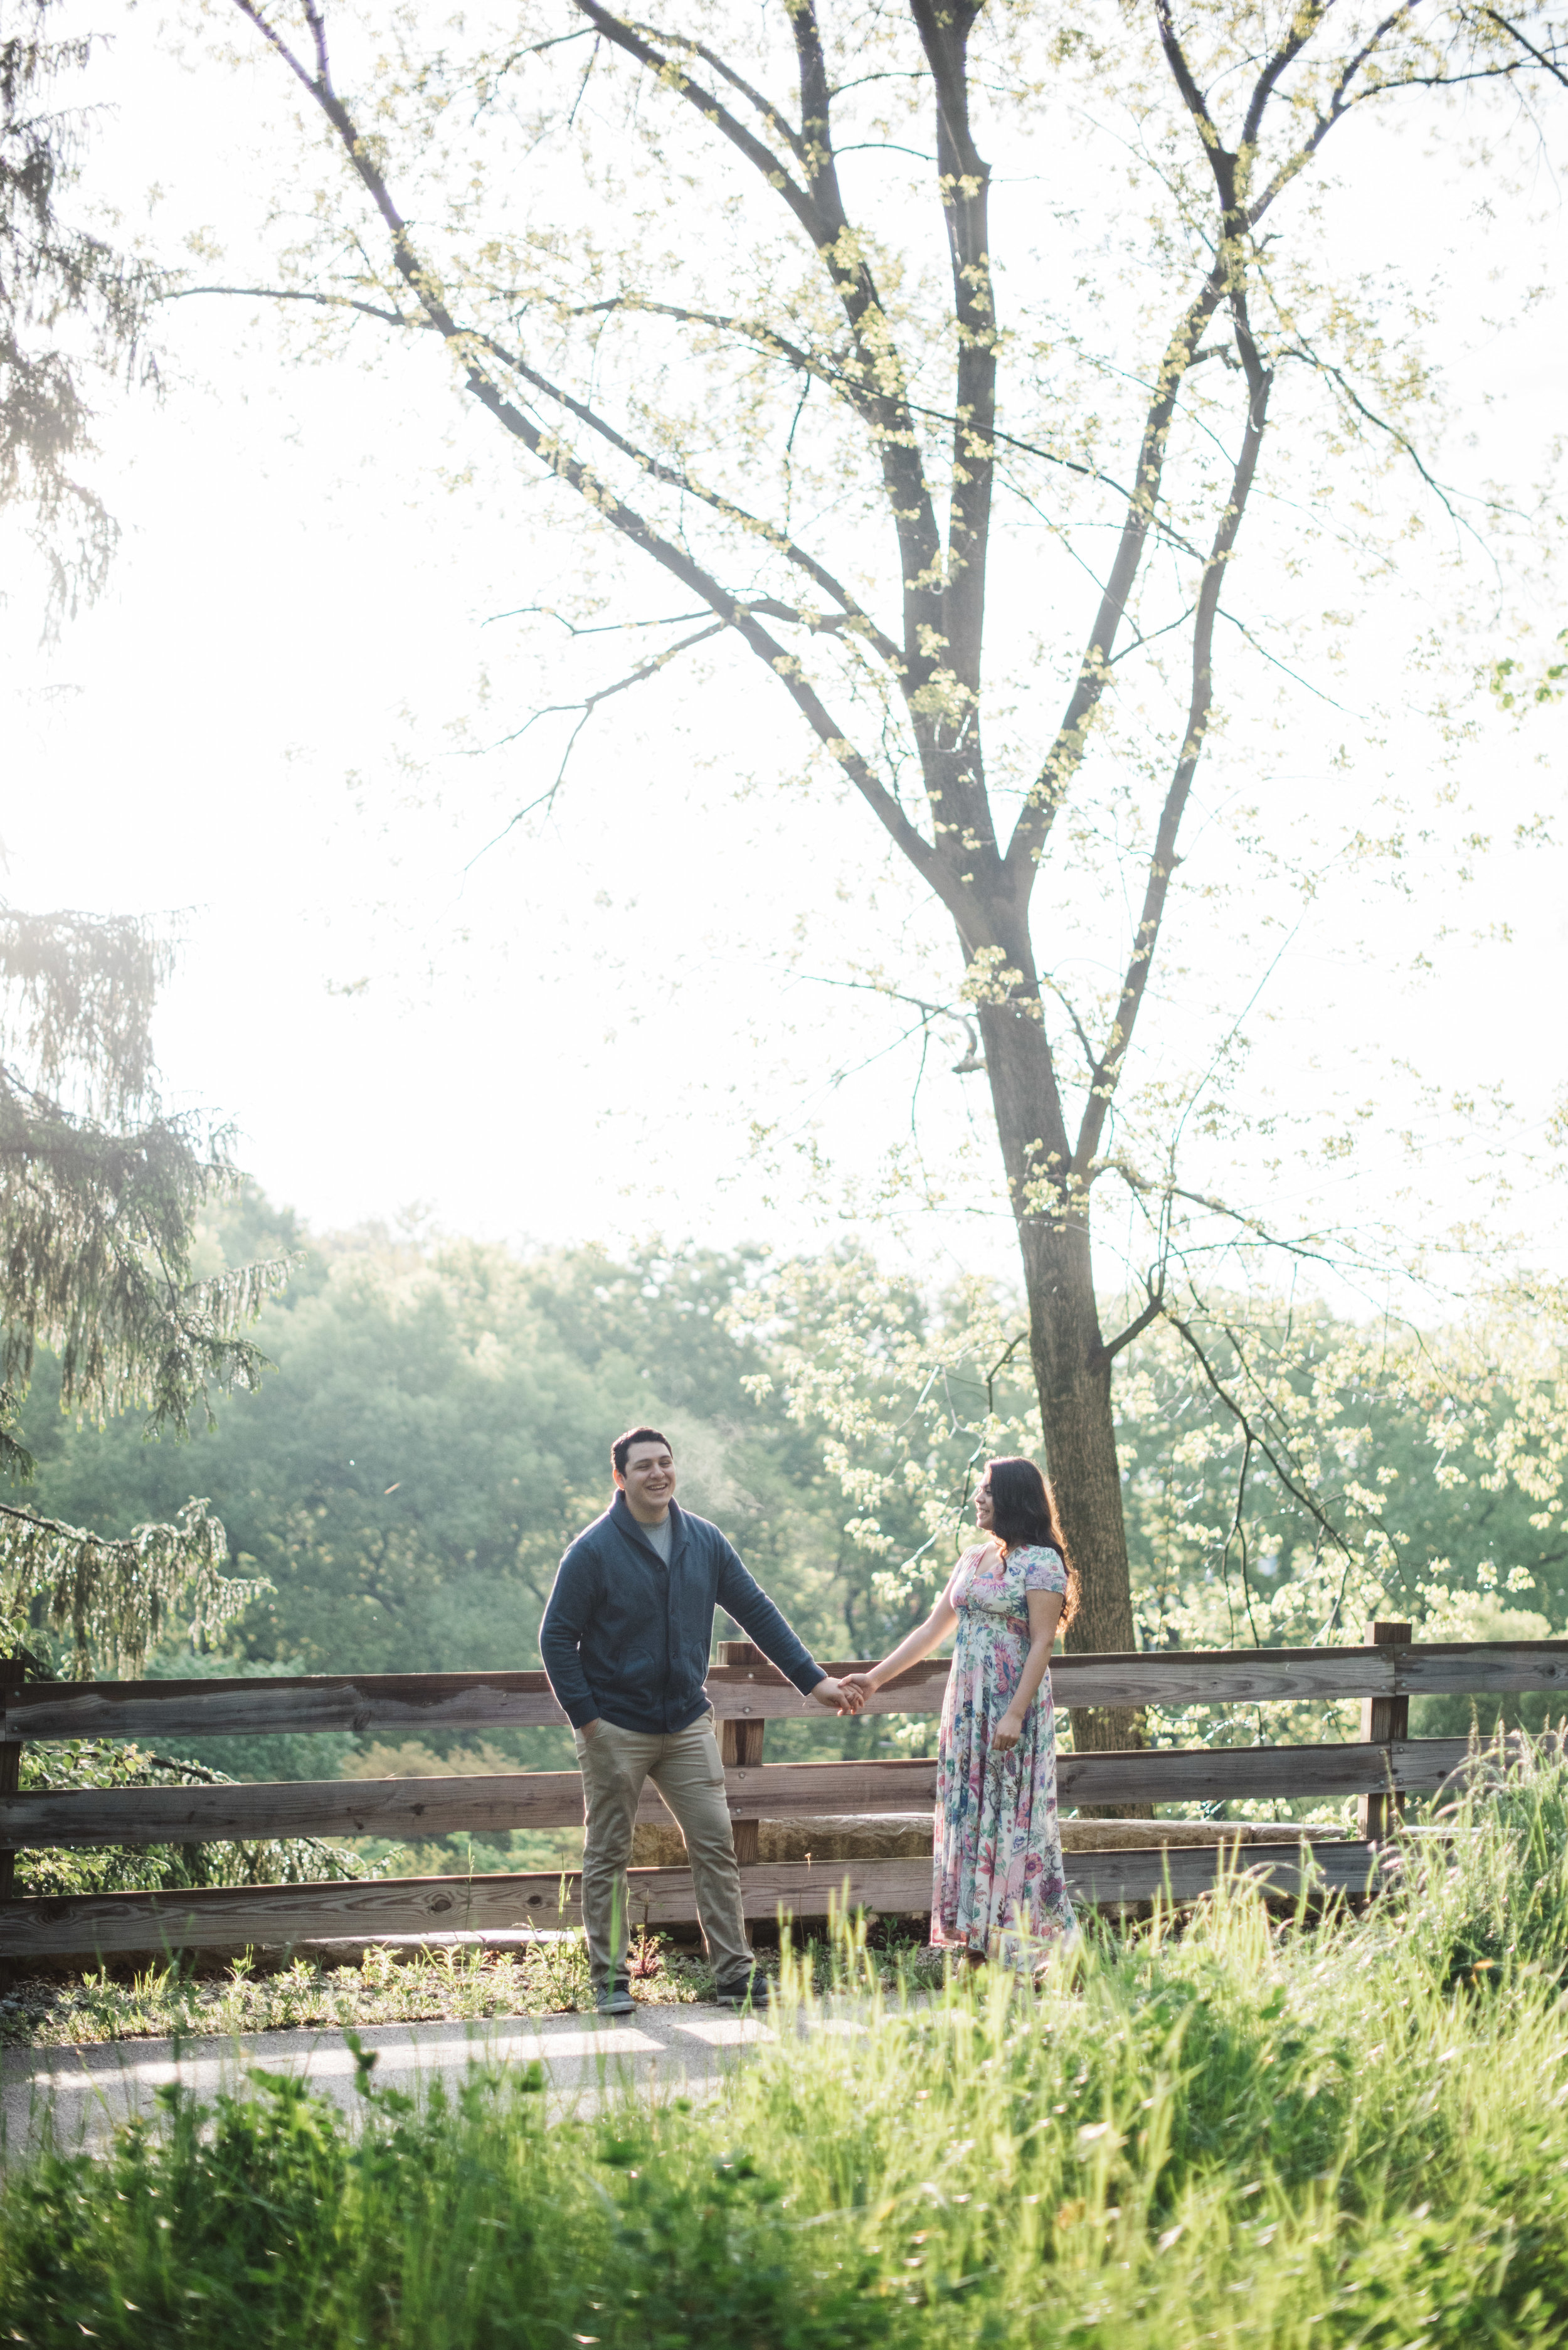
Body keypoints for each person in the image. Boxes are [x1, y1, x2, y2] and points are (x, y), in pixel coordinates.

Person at [540, 1425, 859, 2014]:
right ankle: (609, 1980)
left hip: (686, 1724)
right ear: (620, 1478)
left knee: (714, 1844)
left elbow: (757, 1613)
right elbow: (556, 1638)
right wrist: (589, 1723)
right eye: (643, 1466)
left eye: (665, 1462)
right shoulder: (593, 1551)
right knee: (608, 1852)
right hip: (615, 1727)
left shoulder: (704, 1542)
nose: (658, 1474)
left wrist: (815, 1682)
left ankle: (735, 1975)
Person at [842, 1456, 1078, 1969]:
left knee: (1014, 1820)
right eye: (979, 1489)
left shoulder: (1042, 1562)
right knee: (969, 1816)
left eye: (988, 1490)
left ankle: (1024, 1948)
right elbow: (931, 1632)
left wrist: (1015, 1714)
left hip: (1012, 1710)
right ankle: (977, 1943)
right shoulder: (973, 1559)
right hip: (967, 1710)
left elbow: (1042, 1643)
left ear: (1015, 1497)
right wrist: (874, 1679)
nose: (978, 1497)